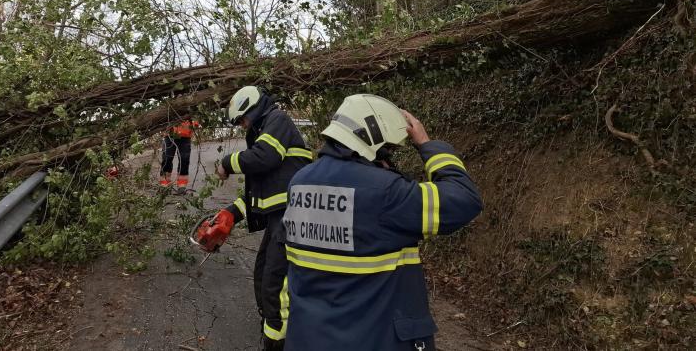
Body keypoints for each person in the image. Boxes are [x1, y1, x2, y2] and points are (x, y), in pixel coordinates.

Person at [281, 94, 483, 351]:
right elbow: (464, 200)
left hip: (308, 338)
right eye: (390, 148)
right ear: (373, 140)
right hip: (372, 339)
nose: (390, 157)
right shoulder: (384, 192)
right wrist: (426, 144)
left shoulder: (299, 182)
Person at [195, 86, 312, 350]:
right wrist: (230, 215)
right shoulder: (264, 132)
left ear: (253, 108)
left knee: (274, 285)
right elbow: (261, 194)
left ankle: (280, 343)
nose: (241, 125)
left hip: (292, 217)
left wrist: (227, 162)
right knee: (262, 273)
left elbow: (265, 157)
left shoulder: (277, 120)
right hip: (279, 218)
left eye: (241, 119)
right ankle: (273, 329)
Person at [159, 119, 199, 190]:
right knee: (167, 158)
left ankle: (182, 184)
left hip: (185, 135)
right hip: (169, 134)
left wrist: (195, 124)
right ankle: (164, 182)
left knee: (184, 159)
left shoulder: (189, 107)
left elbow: (195, 116)